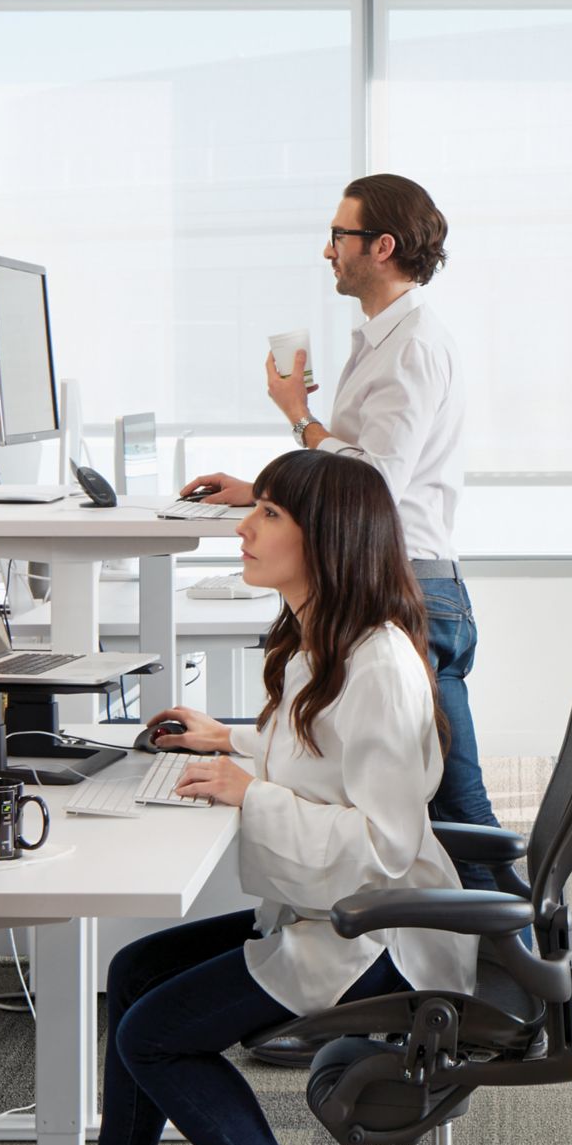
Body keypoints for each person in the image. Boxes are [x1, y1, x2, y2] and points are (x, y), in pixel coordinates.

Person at [1, 449, 473, 1145]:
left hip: (375, 932)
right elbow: (317, 765)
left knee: (152, 1034)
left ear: (325, 540)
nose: (243, 528)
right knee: (137, 971)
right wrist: (235, 746)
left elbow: (381, 844)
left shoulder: (376, 665)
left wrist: (246, 792)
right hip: (332, 913)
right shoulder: (326, 640)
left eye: (268, 517)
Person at [183, 172, 499, 853]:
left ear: (381, 246)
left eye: (338, 235)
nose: (328, 251)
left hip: (408, 582)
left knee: (456, 810)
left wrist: (300, 417)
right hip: (397, 575)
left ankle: (523, 952)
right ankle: (517, 945)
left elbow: (378, 483)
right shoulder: (384, 337)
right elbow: (358, 467)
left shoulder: (411, 344)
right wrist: (267, 492)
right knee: (448, 801)